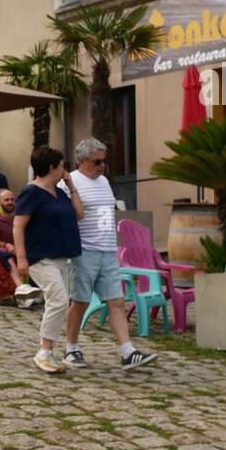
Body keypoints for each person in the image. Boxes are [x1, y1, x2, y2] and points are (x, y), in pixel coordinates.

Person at [61, 138, 157, 372]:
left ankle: (127, 352)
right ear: (82, 161)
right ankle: (71, 348)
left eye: (105, 161)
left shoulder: (103, 181)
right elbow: (65, 217)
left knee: (116, 301)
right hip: (84, 252)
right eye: (97, 161)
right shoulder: (69, 183)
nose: (103, 165)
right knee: (81, 302)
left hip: (108, 250)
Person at [13, 146, 84, 373]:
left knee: (57, 302)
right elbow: (18, 225)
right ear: (52, 167)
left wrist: (71, 187)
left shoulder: (60, 192)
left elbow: (79, 214)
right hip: (40, 258)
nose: (66, 170)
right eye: (63, 165)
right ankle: (44, 352)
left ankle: (48, 352)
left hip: (61, 257)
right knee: (60, 300)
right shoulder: (30, 192)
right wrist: (21, 259)